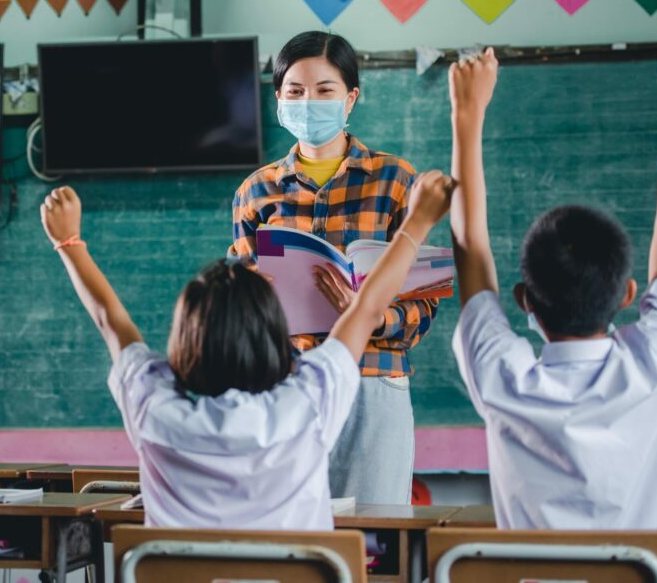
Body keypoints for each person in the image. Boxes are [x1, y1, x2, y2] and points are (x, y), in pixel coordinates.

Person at [40, 171, 453, 529]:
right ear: (274, 338)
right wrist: (415, 225)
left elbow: (111, 322)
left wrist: (69, 242)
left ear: (184, 340)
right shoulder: (305, 402)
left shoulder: (153, 403)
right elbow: (364, 312)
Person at [448, 34, 657, 528]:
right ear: (629, 294)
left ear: (525, 299)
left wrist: (468, 112)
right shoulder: (654, 364)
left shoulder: (505, 376)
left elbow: (469, 244)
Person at [230, 31, 437, 504]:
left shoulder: (397, 181)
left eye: (325, 90)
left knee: (377, 543)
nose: (309, 102)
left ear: (351, 98)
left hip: (373, 380)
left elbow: (422, 304)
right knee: (292, 539)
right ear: (278, 98)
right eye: (296, 91)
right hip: (285, 386)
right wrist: (251, 297)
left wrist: (367, 314)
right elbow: (233, 313)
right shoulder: (255, 192)